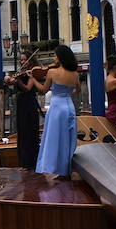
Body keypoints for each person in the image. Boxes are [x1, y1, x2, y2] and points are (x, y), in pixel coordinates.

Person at [34, 45, 80, 181]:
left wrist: (33, 80)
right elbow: (77, 90)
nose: (54, 58)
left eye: (55, 55)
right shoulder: (75, 74)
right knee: (68, 139)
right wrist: (67, 94)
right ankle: (66, 169)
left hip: (57, 107)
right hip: (69, 106)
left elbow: (43, 89)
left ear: (60, 57)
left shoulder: (52, 72)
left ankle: (53, 167)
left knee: (54, 138)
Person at [11, 59, 44, 171]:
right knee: (22, 131)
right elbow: (11, 82)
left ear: (30, 61)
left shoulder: (32, 74)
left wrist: (19, 81)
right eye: (21, 59)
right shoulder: (21, 72)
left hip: (29, 102)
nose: (22, 61)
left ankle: (31, 163)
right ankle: (24, 163)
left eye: (25, 59)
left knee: (29, 131)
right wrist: (8, 80)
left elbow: (28, 88)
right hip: (21, 102)